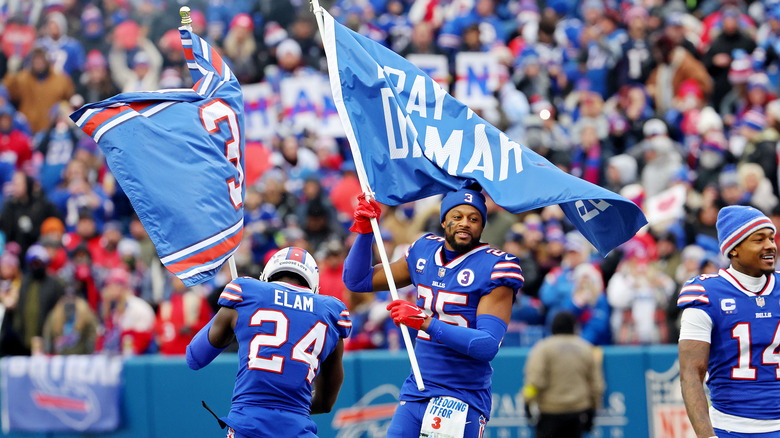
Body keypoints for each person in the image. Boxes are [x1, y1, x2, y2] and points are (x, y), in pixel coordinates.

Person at [342, 184, 525, 437]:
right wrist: (364, 232)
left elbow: (487, 345)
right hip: (417, 388)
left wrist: (425, 322)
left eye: (474, 219)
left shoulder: (495, 265)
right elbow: (357, 280)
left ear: (482, 226)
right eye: (457, 216)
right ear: (443, 220)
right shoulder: (424, 251)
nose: (465, 223)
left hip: (461, 397)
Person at [186, 247, 351, 438]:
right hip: (298, 431)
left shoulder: (245, 292)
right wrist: (290, 408)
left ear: (267, 275)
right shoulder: (331, 312)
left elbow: (194, 357)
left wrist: (234, 315)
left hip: (247, 426)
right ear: (313, 285)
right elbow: (325, 403)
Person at [678, 205, 780, 438]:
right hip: (730, 428)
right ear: (734, 249)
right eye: (759, 239)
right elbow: (691, 373)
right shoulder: (706, 292)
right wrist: (707, 436)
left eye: (772, 238)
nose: (770, 245)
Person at [522, 311, 605, 438]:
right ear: (574, 327)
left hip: (550, 411)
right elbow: (596, 385)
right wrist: (592, 412)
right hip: (577, 412)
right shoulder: (586, 348)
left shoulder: (543, 348)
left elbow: (534, 381)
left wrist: (527, 403)